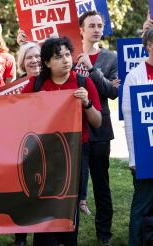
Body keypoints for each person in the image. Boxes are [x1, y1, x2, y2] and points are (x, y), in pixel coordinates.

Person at [22, 37, 102, 246]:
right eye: (59, 57)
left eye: (68, 55)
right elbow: (14, 112)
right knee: (44, 208)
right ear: (47, 62)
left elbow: (97, 122)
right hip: (43, 156)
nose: (66, 60)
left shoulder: (84, 83)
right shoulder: (36, 84)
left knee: (68, 208)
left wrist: (87, 103)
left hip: (75, 154)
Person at [74, 10, 119, 245]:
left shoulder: (110, 58)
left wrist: (92, 69)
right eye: (91, 25)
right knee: (73, 186)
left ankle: (104, 235)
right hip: (72, 129)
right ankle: (68, 234)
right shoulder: (68, 54)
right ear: (81, 29)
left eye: (100, 25)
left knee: (102, 185)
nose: (97, 29)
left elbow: (112, 92)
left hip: (100, 130)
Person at [122, 28, 153, 246]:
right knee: (143, 204)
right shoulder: (135, 76)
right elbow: (131, 120)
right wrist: (134, 157)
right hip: (146, 154)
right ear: (149, 45)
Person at [12, 41, 41, 246]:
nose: (34, 60)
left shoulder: (49, 81)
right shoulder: (14, 86)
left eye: (38, 56)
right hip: (22, 144)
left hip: (45, 142)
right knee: (23, 191)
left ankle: (45, 234)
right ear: (22, 62)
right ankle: (20, 237)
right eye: (29, 57)